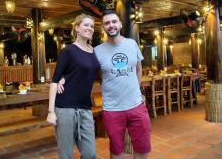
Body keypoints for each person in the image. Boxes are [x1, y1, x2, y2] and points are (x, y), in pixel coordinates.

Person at [94, 10, 151, 159]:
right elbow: (85, 71)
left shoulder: (132, 44)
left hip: (136, 105)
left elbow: (138, 69)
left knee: (142, 147)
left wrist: (138, 91)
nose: (111, 25)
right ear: (103, 27)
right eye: (107, 23)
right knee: (116, 149)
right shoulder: (97, 51)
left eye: (114, 21)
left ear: (119, 24)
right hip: (112, 109)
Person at [46, 14, 99, 159]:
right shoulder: (68, 51)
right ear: (76, 28)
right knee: (66, 155)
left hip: (85, 108)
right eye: (86, 25)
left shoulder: (94, 51)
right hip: (65, 108)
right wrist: (51, 111)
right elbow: (55, 81)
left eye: (92, 26)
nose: (90, 28)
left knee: (90, 153)